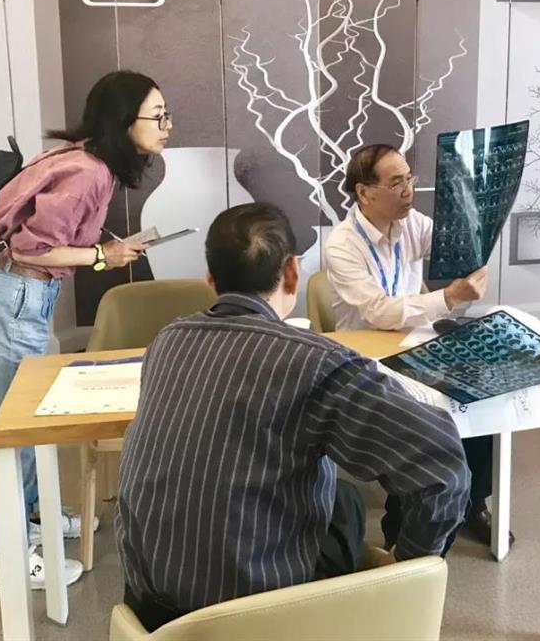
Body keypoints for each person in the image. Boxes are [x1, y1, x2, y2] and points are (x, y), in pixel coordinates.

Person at [116, 203, 469, 632]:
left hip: (148, 610)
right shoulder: (317, 363)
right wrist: (409, 565)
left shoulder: (167, 341)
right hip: (255, 620)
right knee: (345, 503)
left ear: (210, 280)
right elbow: (442, 466)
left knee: (335, 496)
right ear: (291, 272)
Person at [0, 70, 170, 590]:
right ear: (124, 121)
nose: (167, 125)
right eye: (158, 115)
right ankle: (11, 557)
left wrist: (103, 249)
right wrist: (102, 255)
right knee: (10, 433)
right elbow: (30, 247)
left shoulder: (79, 158)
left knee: (23, 426)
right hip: (11, 297)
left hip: (13, 296)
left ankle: (32, 520)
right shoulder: (88, 171)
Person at [323, 143, 494, 548]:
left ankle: (473, 502)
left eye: (409, 179)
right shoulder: (342, 245)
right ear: (364, 193)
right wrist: (449, 297)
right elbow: (380, 311)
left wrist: (473, 239)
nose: (408, 191)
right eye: (396, 182)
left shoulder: (412, 222)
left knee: (478, 396)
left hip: (416, 345)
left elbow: (456, 246)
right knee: (421, 423)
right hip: (368, 360)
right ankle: (401, 526)